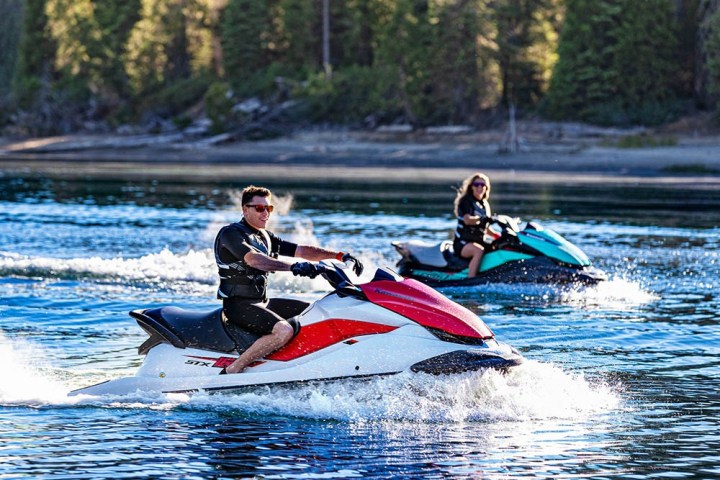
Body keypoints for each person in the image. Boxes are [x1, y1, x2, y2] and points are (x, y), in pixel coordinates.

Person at [214, 185, 364, 374]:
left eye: (269, 209)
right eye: (260, 208)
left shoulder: (265, 237)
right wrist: (292, 267)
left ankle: (303, 363)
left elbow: (302, 251)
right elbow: (254, 259)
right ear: (245, 209)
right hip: (238, 305)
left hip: (262, 302)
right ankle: (233, 370)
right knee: (284, 330)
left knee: (315, 312)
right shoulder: (231, 233)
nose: (265, 213)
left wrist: (339, 255)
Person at [453, 173, 492, 278]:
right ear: (471, 186)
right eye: (477, 184)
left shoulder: (484, 204)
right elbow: (467, 220)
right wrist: (480, 219)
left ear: (486, 188)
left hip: (478, 241)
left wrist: (498, 236)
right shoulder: (466, 201)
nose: (480, 187)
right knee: (479, 251)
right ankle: (471, 279)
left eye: (482, 185)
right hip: (462, 244)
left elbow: (486, 228)